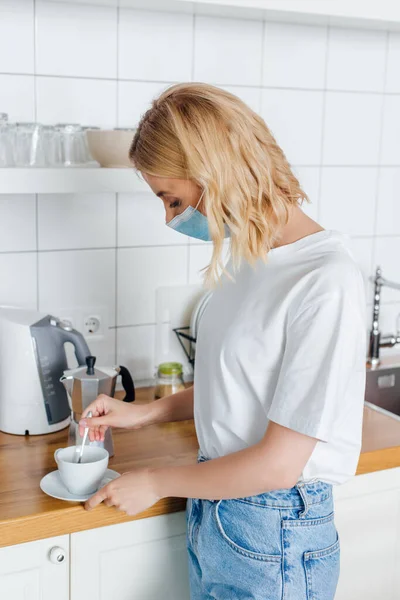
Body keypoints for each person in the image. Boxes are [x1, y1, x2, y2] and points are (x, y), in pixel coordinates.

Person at [79, 83, 366, 600]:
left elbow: (280, 465)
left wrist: (157, 480)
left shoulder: (325, 280)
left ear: (216, 171)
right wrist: (144, 413)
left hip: (275, 529)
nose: (170, 218)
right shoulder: (250, 258)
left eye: (172, 200)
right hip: (220, 509)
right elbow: (238, 386)